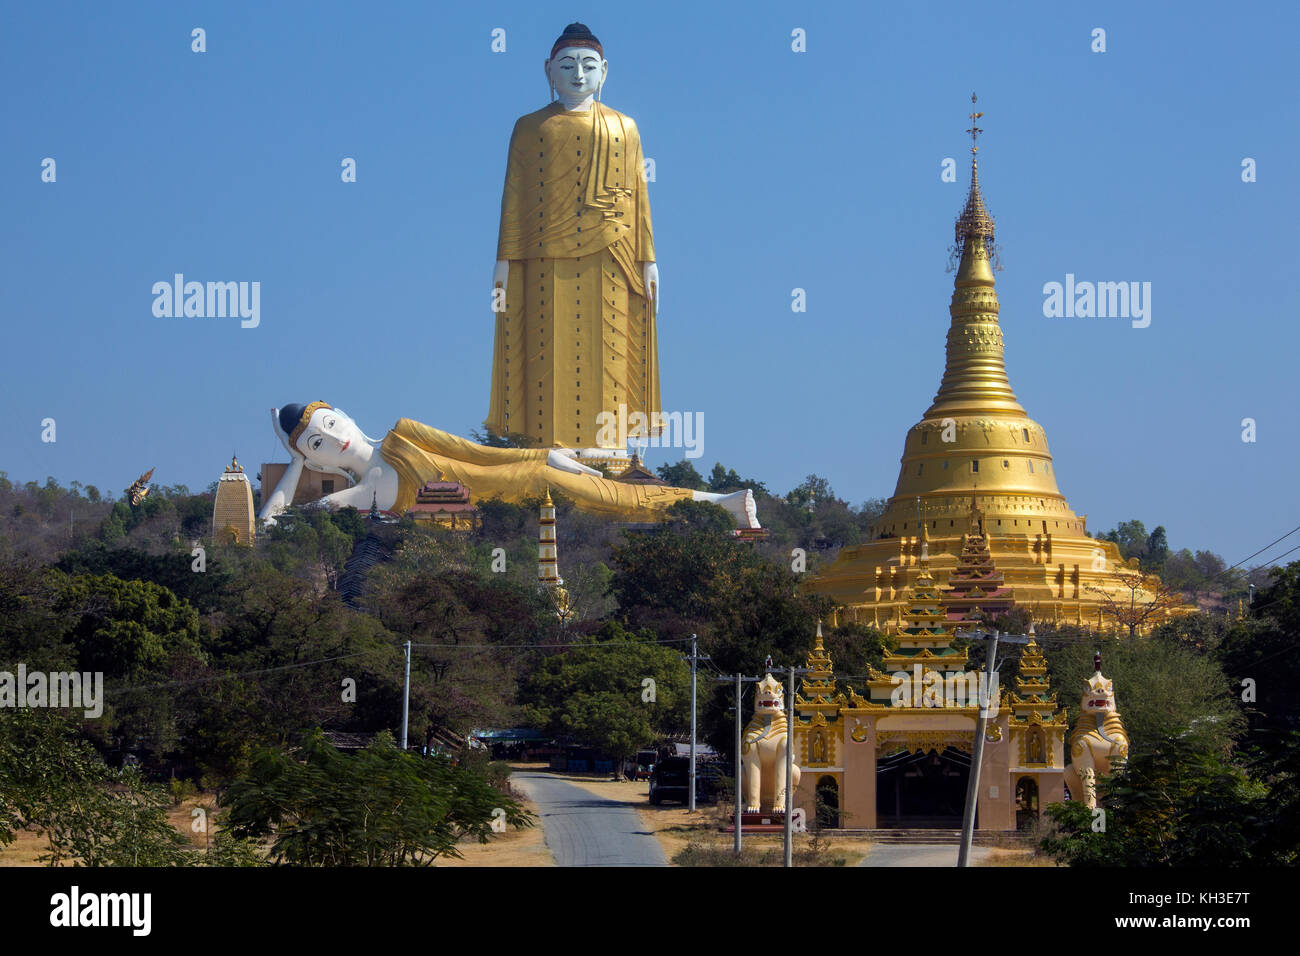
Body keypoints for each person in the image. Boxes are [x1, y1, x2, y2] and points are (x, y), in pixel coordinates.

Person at [485, 22, 661, 452]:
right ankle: (544, 448)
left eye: (587, 66)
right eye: (567, 66)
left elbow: (639, 198)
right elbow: (514, 195)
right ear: (548, 71)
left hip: (612, 256)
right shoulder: (529, 128)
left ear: (605, 71)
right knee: (547, 354)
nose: (578, 75)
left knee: (610, 352)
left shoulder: (625, 127)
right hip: (543, 258)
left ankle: (610, 450)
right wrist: (503, 260)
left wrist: (649, 259)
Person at [258, 401, 758, 528]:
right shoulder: (361, 491)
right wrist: (294, 465)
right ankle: (718, 506)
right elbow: (282, 524)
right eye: (317, 444)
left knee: (614, 498)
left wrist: (544, 454)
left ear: (343, 414)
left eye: (329, 424)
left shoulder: (403, 434)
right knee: (613, 504)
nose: (332, 439)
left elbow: (478, 455)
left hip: (523, 478)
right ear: (311, 458)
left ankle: (718, 503)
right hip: (511, 507)